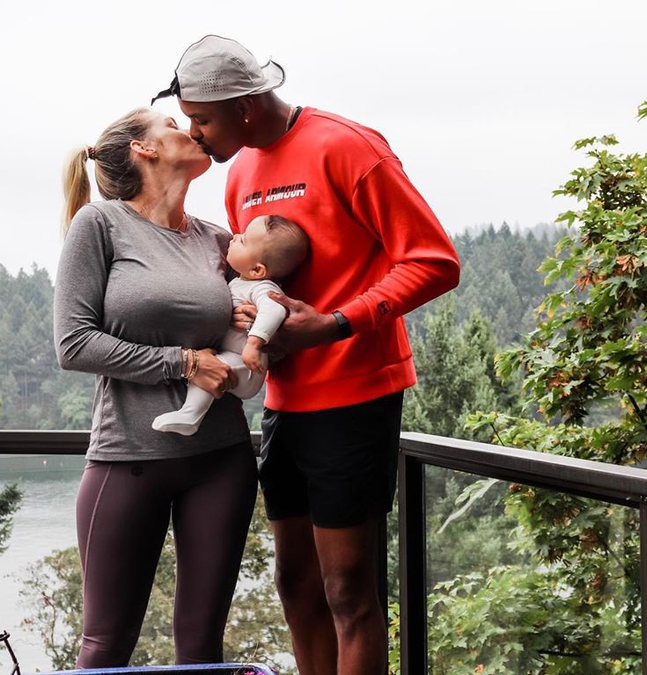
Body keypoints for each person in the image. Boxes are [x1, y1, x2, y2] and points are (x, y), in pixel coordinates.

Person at [153, 35, 461, 675]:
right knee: (296, 582)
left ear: (244, 106)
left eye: (202, 119)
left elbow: (435, 262)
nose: (194, 133)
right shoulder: (240, 172)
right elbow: (253, 278)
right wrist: (242, 313)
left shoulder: (347, 147)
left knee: (349, 590)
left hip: (356, 394)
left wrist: (337, 323)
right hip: (284, 403)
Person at [54, 107, 258, 668]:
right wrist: (182, 363)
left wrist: (249, 315)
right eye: (171, 124)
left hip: (222, 459)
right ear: (143, 150)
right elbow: (74, 344)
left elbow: (250, 321)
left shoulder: (217, 240)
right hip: (129, 459)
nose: (189, 130)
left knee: (202, 646)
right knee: (105, 645)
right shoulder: (100, 224)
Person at [153, 213, 310, 435]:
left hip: (246, 365)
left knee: (209, 367)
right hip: (235, 356)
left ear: (257, 270)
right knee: (210, 365)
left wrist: (254, 344)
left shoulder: (263, 288)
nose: (234, 236)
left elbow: (274, 310)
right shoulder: (240, 282)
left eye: (243, 240)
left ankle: (190, 415)